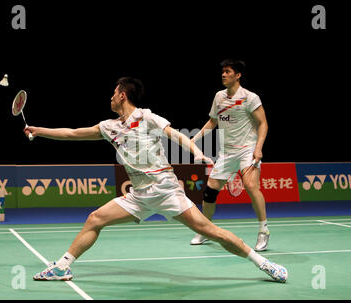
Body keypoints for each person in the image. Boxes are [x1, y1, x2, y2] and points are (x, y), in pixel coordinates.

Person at [26, 77, 287, 283]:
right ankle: (62, 267)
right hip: (138, 195)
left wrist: (196, 152)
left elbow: (175, 135)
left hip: (165, 190)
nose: (110, 97)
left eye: (113, 93)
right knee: (95, 218)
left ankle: (263, 263)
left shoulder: (146, 117)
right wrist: (39, 131)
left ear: (122, 95)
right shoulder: (109, 127)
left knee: (210, 231)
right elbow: (72, 133)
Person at [190, 59, 270, 251]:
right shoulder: (219, 97)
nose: (224, 75)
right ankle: (206, 230)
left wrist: (258, 148)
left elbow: (263, 123)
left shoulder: (250, 97)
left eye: (228, 72)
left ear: (238, 75)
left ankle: (263, 230)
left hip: (246, 150)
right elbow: (212, 122)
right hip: (226, 153)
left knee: (251, 186)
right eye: (223, 72)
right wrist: (194, 139)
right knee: (210, 192)